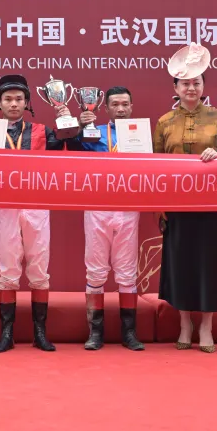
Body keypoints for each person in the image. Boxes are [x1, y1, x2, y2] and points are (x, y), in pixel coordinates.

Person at [153, 43, 217, 353]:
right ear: (175, 87)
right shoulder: (164, 122)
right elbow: (155, 166)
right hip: (176, 205)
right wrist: (160, 206)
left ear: (203, 86)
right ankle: (185, 322)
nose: (191, 88)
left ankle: (206, 326)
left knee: (208, 263)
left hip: (210, 203)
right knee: (180, 263)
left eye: (196, 82)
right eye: (185, 83)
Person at [0, 74, 75, 353]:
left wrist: (65, 119)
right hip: (5, 206)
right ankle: (7, 334)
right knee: (8, 267)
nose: (13, 104)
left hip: (37, 205)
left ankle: (40, 333)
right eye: (8, 99)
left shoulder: (42, 131)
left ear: (27, 103)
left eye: (19, 99)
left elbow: (68, 149)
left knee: (39, 267)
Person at [68, 87, 146, 351]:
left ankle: (129, 333)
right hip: (97, 208)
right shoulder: (94, 132)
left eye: (125, 104)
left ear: (132, 106)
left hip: (128, 208)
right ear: (106, 108)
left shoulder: (140, 134)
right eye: (115, 104)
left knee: (127, 272)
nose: (120, 109)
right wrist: (80, 127)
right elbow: (73, 150)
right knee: (96, 270)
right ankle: (95, 332)